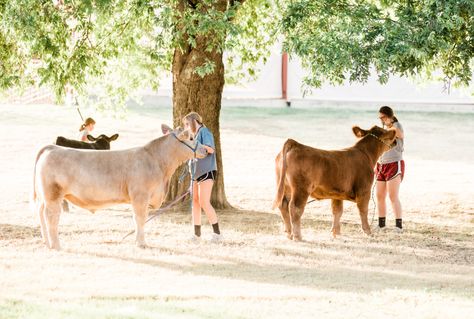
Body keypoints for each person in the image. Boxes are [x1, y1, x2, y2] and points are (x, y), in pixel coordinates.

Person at [182, 112, 222, 242]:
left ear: (194, 121)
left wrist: (196, 146)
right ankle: (197, 235)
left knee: (204, 202)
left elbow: (210, 150)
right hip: (195, 173)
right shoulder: (194, 136)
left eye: (187, 124)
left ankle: (217, 234)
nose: (186, 127)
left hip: (206, 171)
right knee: (195, 203)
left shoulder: (204, 132)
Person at [375, 106, 405, 232]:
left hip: (394, 163)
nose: (381, 120)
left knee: (393, 196)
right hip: (381, 165)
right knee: (379, 195)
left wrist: (390, 124)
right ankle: (381, 224)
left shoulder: (397, 125)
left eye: (383, 117)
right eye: (380, 118)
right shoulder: (385, 129)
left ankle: (398, 226)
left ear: (390, 116)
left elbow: (400, 135)